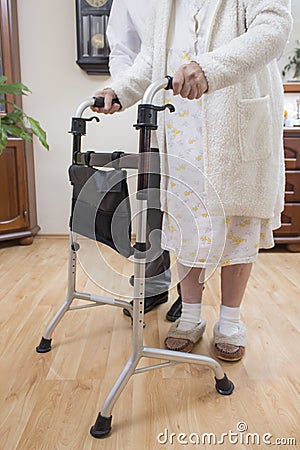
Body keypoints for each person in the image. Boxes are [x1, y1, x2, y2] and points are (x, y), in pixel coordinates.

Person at [94, 0, 292, 361]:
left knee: (236, 223)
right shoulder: (166, 5)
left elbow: (274, 29)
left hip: (234, 123)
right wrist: (120, 90)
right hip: (182, 128)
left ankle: (230, 321)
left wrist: (208, 68)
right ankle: (189, 316)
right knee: (187, 224)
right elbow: (150, 62)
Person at [106, 0, 183, 322]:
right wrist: (125, 90)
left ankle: (192, 296)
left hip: (205, 106)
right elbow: (123, 50)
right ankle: (154, 285)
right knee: (153, 204)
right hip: (156, 109)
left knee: (198, 206)